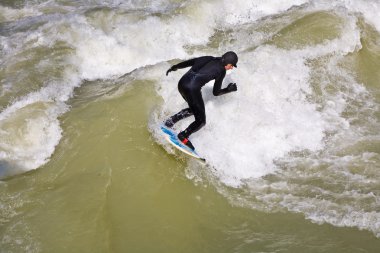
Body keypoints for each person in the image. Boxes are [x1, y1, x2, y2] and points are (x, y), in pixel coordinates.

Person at [164, 51, 238, 150]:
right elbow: (216, 92)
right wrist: (228, 90)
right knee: (201, 121)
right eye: (232, 65)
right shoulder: (221, 71)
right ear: (228, 63)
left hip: (182, 84)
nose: (231, 67)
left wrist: (175, 67)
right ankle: (183, 135)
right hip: (191, 89)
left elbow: (188, 62)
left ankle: (170, 121)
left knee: (194, 109)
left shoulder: (208, 57)